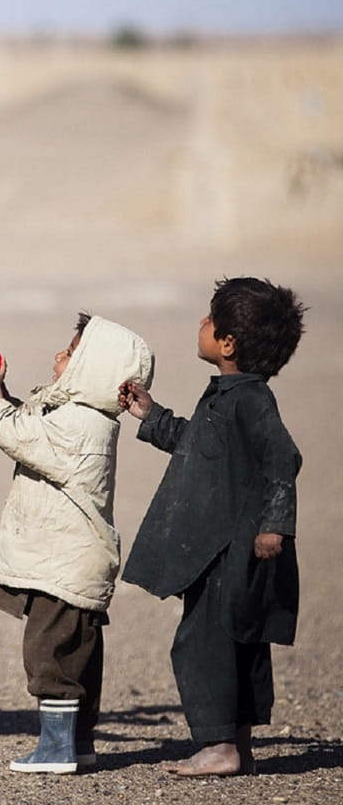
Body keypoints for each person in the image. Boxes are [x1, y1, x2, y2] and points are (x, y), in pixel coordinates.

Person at [119, 277, 305, 777]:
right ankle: (237, 746)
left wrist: (274, 526)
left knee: (205, 641)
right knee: (234, 639)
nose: (201, 323)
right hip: (219, 547)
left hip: (234, 548)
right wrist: (151, 415)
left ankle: (218, 746)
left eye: (209, 319)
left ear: (227, 344)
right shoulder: (225, 395)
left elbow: (282, 459)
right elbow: (198, 445)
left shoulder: (251, 401)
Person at [0, 313, 155, 774]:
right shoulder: (78, 417)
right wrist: (5, 393)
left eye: (71, 353)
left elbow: (18, 434)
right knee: (78, 656)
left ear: (94, 368)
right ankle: (79, 743)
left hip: (65, 565)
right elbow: (32, 425)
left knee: (49, 654)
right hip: (71, 561)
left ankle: (56, 749)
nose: (59, 356)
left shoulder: (81, 425)